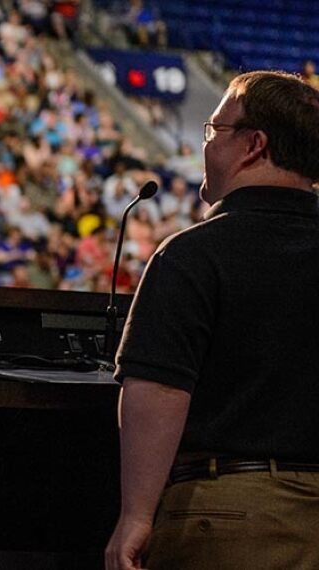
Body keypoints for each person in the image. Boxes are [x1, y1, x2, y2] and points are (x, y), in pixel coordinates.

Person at [105, 71, 319, 569]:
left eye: (212, 130)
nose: (205, 144)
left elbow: (158, 390)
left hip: (234, 516)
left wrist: (135, 515)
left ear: (252, 144)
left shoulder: (193, 255)